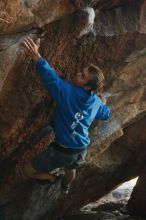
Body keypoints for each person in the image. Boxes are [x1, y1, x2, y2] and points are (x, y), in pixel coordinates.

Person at [22, 36, 110, 194]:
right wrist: (102, 102)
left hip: (62, 152)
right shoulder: (96, 102)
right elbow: (106, 114)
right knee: (71, 170)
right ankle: (65, 186)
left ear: (88, 87)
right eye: (81, 72)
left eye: (82, 76)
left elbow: (51, 79)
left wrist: (36, 55)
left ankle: (50, 178)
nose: (77, 73)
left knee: (27, 170)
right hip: (81, 148)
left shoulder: (67, 93)